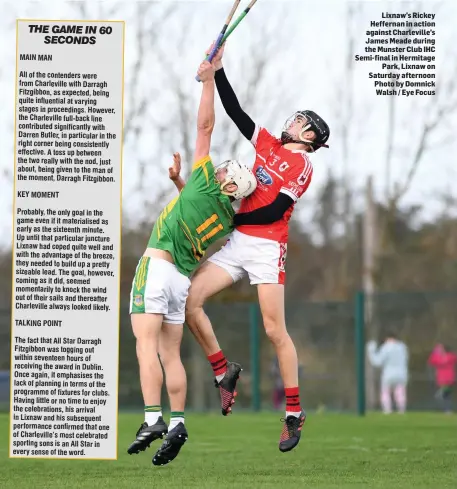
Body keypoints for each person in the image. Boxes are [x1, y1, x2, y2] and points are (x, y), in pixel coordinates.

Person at [186, 43, 330, 453]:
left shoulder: (302, 166)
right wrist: (219, 72)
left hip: (267, 247)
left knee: (273, 330)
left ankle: (293, 413)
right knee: (190, 299)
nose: (292, 122)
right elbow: (236, 113)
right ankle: (223, 372)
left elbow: (276, 212)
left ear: (310, 136)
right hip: (238, 242)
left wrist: (232, 220)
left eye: (301, 121)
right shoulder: (267, 145)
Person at [127, 59, 257, 466]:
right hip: (179, 283)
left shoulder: (204, 181)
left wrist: (208, 81)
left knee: (144, 345)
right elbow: (193, 208)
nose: (217, 169)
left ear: (231, 184)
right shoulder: (225, 216)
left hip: (155, 269)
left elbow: (205, 128)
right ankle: (178, 421)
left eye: (225, 172)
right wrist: (177, 184)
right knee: (171, 356)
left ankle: (152, 419)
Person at [367, 333, 409, 414]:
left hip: (388, 374)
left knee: (385, 392)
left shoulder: (386, 347)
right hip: (401, 373)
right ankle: (401, 410)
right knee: (400, 392)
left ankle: (387, 410)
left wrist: (371, 351)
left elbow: (377, 362)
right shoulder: (402, 347)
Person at [428, 344, 457, 414]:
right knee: (447, 394)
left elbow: (431, 361)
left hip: (443, 377)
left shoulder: (439, 357)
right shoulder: (451, 356)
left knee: (446, 394)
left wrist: (434, 353)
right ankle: (447, 409)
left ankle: (441, 393)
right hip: (449, 377)